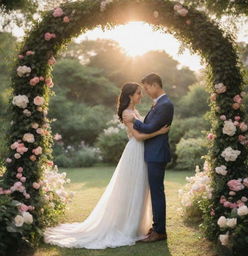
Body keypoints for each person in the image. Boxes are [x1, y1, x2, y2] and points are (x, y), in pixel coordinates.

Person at [43, 82, 169, 249]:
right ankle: (126, 226)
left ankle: (137, 225)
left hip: (142, 153)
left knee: (139, 188)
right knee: (131, 188)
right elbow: (138, 136)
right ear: (130, 95)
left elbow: (143, 128)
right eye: (139, 93)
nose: (141, 96)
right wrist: (159, 132)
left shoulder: (134, 111)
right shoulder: (126, 113)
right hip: (135, 151)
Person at [126, 73, 174, 243]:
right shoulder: (159, 104)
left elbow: (150, 127)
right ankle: (157, 227)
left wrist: (134, 120)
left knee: (157, 193)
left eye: (146, 88)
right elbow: (153, 128)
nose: (145, 92)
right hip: (153, 153)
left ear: (155, 85)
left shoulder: (165, 104)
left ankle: (159, 231)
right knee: (155, 192)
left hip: (157, 154)